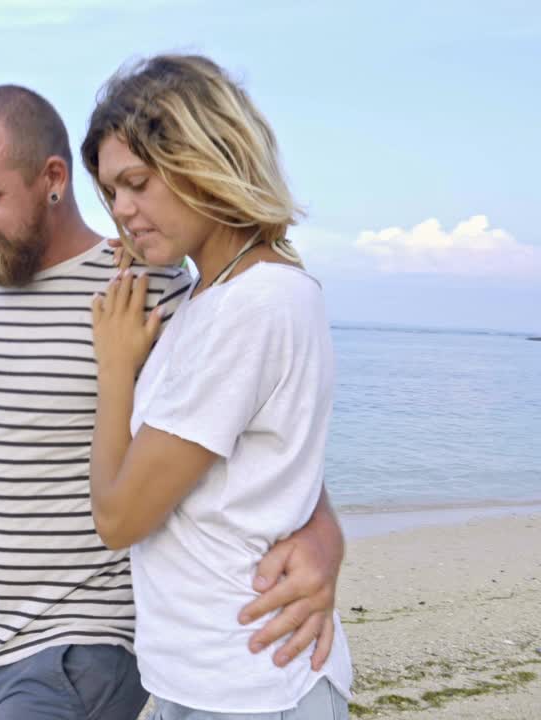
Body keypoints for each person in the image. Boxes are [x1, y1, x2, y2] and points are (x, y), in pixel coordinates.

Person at [0, 83, 346, 720]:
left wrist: (321, 530)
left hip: (88, 649)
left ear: (53, 179)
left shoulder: (152, 287)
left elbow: (261, 432)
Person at [83, 55, 353, 718]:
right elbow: (268, 473)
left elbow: (119, 519)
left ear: (202, 159)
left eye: (137, 183)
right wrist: (327, 531)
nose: (121, 210)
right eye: (112, 192)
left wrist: (116, 368)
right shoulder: (222, 295)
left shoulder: (250, 306)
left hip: (248, 680)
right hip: (213, 675)